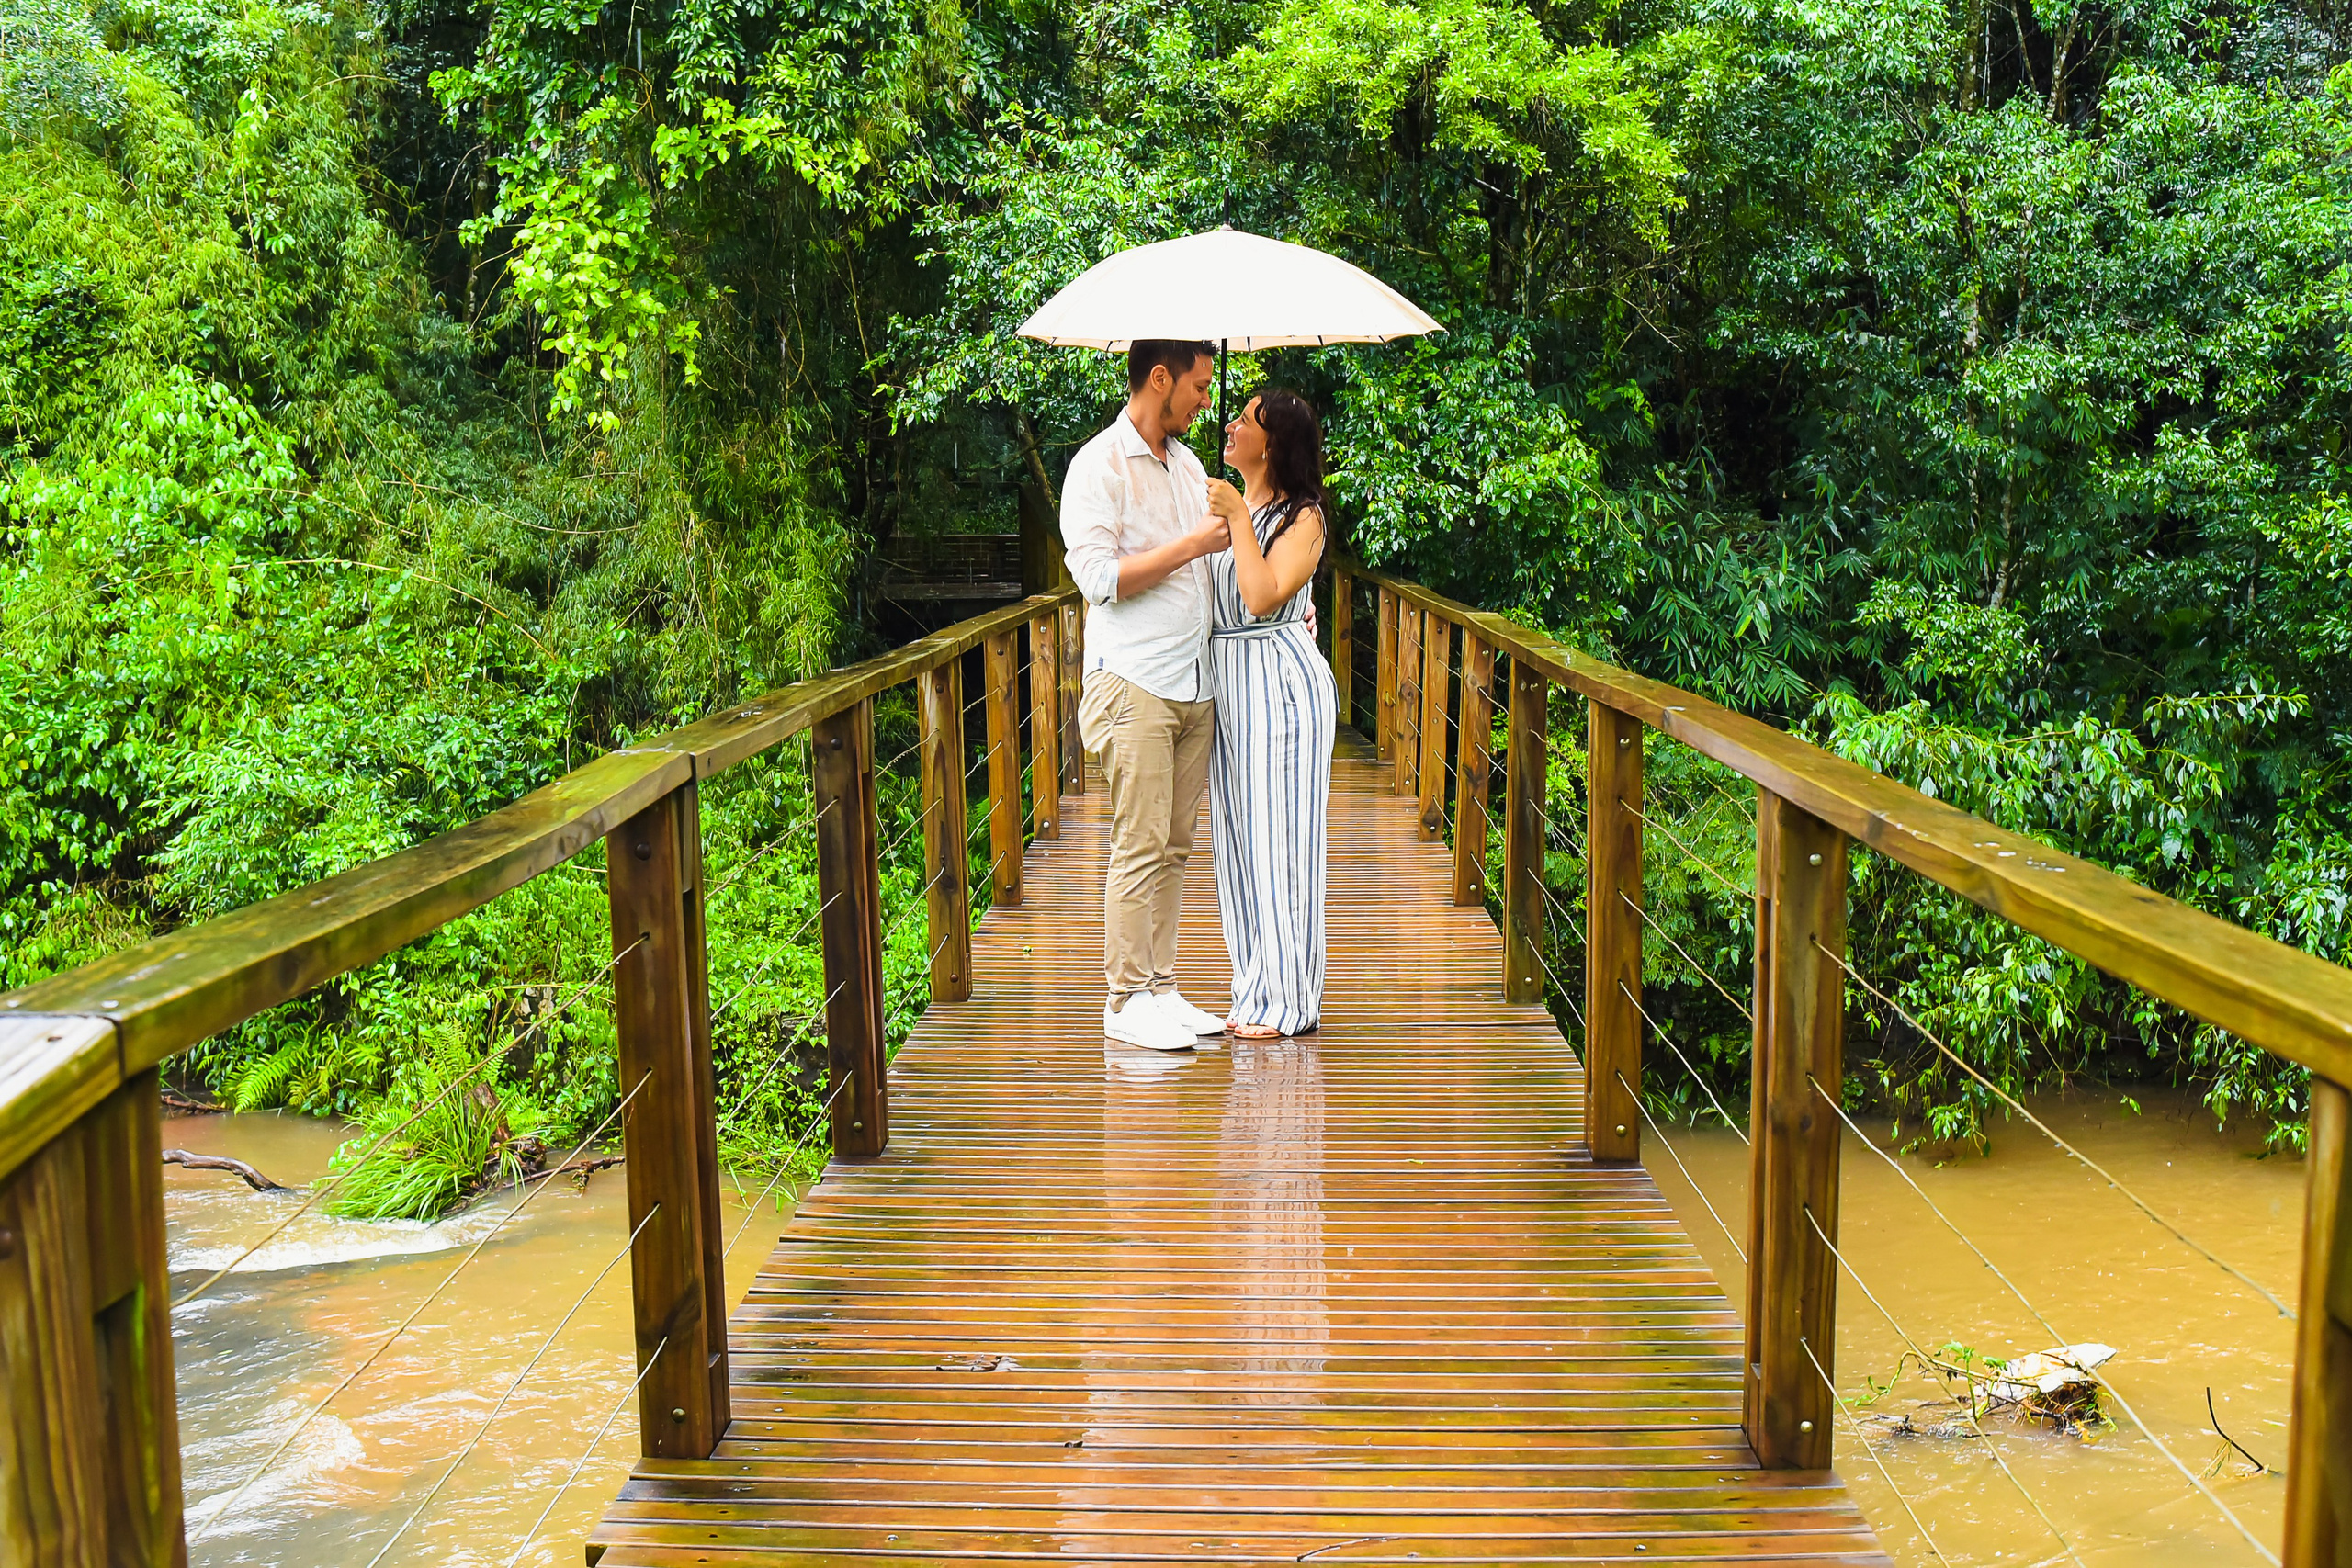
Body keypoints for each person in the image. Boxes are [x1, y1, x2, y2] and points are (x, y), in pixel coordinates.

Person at [1061, 339, 1234, 1053]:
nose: (1205, 398)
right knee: (1137, 841)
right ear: (1159, 379)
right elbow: (1098, 578)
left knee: (1175, 843)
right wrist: (1195, 545)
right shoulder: (1097, 465)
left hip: (1193, 681)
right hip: (1132, 682)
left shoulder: (1188, 463)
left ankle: (1161, 987)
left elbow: (1216, 558)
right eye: (1198, 384)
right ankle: (1125, 996)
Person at [1201, 390, 1336, 1037]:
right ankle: (1253, 987)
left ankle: (1289, 1002)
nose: (1230, 424)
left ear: (1274, 443)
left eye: (1247, 420)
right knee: (1237, 843)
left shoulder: (1301, 516)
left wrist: (1233, 515)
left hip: (1279, 685)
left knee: (1281, 840)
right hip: (1228, 686)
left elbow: (1259, 597)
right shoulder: (1236, 507)